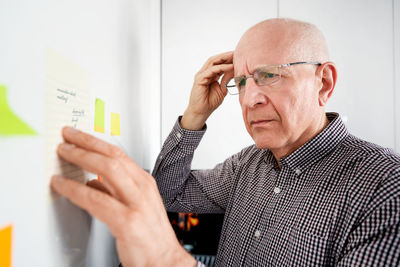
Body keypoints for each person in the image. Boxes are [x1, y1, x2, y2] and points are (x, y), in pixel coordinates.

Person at [50, 18, 400, 266]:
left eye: (270, 75)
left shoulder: (385, 187)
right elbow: (168, 194)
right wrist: (194, 115)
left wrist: (170, 261)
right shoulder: (247, 165)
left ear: (323, 83)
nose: (250, 99)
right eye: (243, 82)